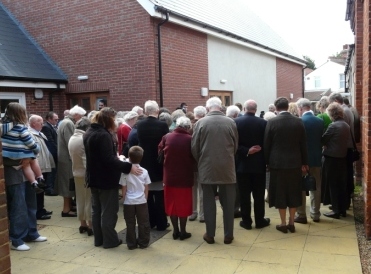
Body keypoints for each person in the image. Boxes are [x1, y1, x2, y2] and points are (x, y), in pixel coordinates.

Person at [84, 107, 142, 248]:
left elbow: (101, 156)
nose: (116, 122)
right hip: (105, 179)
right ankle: (110, 241)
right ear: (109, 119)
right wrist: (128, 167)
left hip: (93, 177)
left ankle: (99, 240)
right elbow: (108, 159)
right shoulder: (103, 135)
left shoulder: (89, 132)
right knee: (108, 212)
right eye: (114, 119)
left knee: (96, 211)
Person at [191, 97, 238, 245]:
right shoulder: (231, 122)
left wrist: (202, 160)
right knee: (229, 203)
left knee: (209, 202)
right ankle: (228, 235)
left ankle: (210, 234)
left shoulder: (200, 123)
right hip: (227, 168)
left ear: (207, 108)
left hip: (207, 167)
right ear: (221, 107)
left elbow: (194, 148)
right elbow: (235, 145)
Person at [264, 97, 308, 234]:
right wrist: (305, 163)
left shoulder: (271, 122)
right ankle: (291, 222)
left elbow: (267, 145)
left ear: (276, 108)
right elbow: (303, 145)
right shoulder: (298, 122)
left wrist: (267, 162)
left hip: (277, 164)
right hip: (295, 163)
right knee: (294, 192)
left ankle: (282, 223)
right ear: (288, 107)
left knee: (280, 193)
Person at [235, 99, 270, 230]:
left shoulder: (236, 122)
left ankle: (246, 221)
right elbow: (267, 144)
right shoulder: (263, 123)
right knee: (259, 195)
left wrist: (246, 151)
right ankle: (260, 220)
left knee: (244, 195)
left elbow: (233, 144)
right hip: (259, 165)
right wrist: (267, 162)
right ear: (255, 109)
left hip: (242, 165)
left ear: (244, 109)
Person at [159, 117, 195, 241]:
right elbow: (195, 156)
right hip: (185, 177)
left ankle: (175, 231)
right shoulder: (190, 139)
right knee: (183, 205)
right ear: (188, 127)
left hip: (169, 176)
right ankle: (183, 232)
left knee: (171, 205)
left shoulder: (166, 137)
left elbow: (159, 152)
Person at [136, 100, 169, 231]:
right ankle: (161, 223)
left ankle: (151, 221)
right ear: (157, 111)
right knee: (160, 195)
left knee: (147, 194)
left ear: (145, 111)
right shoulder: (162, 125)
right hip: (158, 163)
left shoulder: (140, 124)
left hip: (145, 162)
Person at [1, 103, 46, 193]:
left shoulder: (3, 126)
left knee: (27, 165)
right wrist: (36, 149)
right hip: (20, 154)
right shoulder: (20, 127)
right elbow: (29, 141)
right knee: (31, 161)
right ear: (21, 114)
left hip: (7, 155)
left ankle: (34, 182)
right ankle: (39, 178)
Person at [295, 98, 324, 223]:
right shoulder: (320, 121)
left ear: (300, 108)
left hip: (302, 160)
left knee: (301, 186)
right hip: (316, 158)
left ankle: (301, 214)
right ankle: (315, 213)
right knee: (316, 186)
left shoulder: (299, 121)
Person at [321, 103, 351, 219]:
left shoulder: (333, 126)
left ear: (331, 113)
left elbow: (323, 139)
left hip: (332, 159)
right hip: (342, 157)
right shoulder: (345, 125)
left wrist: (326, 145)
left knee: (332, 184)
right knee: (341, 184)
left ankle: (335, 210)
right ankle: (342, 208)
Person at [56, 105, 86, 217]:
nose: (81, 119)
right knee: (68, 184)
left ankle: (68, 207)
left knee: (67, 183)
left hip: (65, 158)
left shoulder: (64, 122)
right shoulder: (68, 124)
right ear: (76, 115)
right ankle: (66, 210)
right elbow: (71, 143)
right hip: (67, 159)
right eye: (81, 117)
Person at [120, 146, 151, 250]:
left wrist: (124, 198)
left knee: (130, 223)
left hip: (129, 201)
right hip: (141, 200)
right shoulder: (144, 171)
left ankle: (131, 243)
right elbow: (146, 186)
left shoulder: (125, 172)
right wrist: (145, 198)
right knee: (143, 222)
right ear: (141, 157)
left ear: (129, 156)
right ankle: (143, 242)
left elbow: (124, 188)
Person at [328, 93, 354, 210]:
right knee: (343, 179)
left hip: (342, 150)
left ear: (335, 101)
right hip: (345, 149)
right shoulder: (347, 110)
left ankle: (341, 205)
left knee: (341, 180)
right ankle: (342, 205)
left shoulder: (343, 112)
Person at [68, 117, 93, 236]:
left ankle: (82, 223)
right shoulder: (84, 138)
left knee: (80, 199)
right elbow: (87, 160)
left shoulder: (72, 138)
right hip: (85, 173)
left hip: (76, 172)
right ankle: (90, 225)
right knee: (89, 199)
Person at [29, 115, 55, 220]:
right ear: (34, 123)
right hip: (38, 167)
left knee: (42, 189)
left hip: (44, 166)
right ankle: (38, 212)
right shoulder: (31, 134)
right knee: (38, 190)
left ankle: (41, 209)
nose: (42, 124)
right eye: (40, 122)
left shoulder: (39, 133)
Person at [189, 106, 207, 222]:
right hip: (202, 161)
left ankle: (192, 212)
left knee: (192, 188)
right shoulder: (204, 125)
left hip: (190, 162)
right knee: (202, 188)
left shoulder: (188, 126)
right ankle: (202, 214)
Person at [41, 111, 59, 196]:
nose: (57, 121)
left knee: (53, 171)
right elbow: (50, 141)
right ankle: (49, 189)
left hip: (53, 152)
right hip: (51, 153)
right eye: (55, 120)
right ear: (49, 119)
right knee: (51, 171)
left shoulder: (52, 126)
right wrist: (57, 151)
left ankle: (52, 188)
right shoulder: (46, 127)